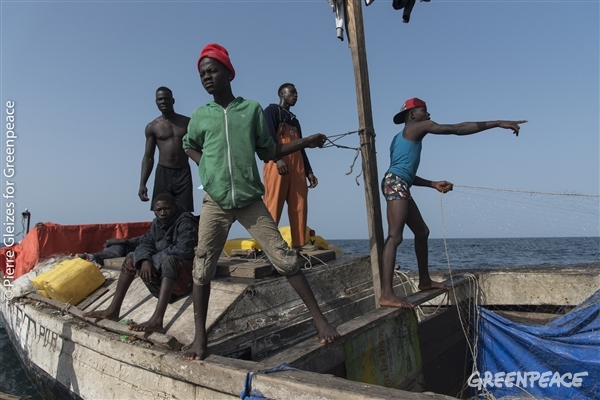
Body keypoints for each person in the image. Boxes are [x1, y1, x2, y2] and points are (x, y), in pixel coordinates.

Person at [181, 43, 340, 360]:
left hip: (250, 199)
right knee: (202, 265)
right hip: (215, 201)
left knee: (284, 257)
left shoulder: (250, 110)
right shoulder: (201, 115)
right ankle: (200, 339)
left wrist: (306, 141)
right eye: (202, 73)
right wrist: (207, 168)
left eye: (212, 71)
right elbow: (189, 145)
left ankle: (320, 321)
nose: (207, 77)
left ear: (229, 72)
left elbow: (269, 152)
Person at [380, 97, 527, 308]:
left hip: (398, 182)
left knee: (422, 232)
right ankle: (386, 294)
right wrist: (497, 123)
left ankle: (424, 281)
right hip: (395, 183)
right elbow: (457, 129)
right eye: (424, 110)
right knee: (395, 236)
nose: (428, 114)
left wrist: (433, 184)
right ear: (413, 115)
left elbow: (405, 172)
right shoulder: (420, 126)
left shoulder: (399, 138)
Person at [82, 193, 198, 333]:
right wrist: (144, 260)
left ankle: (157, 320)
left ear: (175, 207)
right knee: (132, 257)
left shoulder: (186, 221)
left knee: (170, 260)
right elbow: (145, 243)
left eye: (166, 209)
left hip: (184, 280)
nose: (162, 213)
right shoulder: (157, 223)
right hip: (161, 278)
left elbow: (184, 249)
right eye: (158, 210)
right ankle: (113, 310)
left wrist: (152, 261)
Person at [263, 83, 317, 251]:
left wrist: (309, 171)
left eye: (296, 93)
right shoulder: (271, 111)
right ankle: (268, 245)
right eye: (292, 92)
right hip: (277, 162)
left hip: (297, 165)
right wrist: (277, 159)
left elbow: (300, 147)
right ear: (281, 93)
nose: (296, 95)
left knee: (299, 202)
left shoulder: (295, 120)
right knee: (274, 202)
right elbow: (268, 136)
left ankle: (300, 242)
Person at [139, 87, 195, 212]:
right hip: (163, 173)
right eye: (160, 99)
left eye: (166, 98)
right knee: (162, 212)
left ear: (173, 100)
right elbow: (148, 157)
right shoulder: (152, 126)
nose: (163, 101)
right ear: (156, 102)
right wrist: (142, 183)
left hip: (183, 172)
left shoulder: (187, 122)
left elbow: (199, 148)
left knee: (184, 213)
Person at [77, 236, 141, 266]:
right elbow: (136, 241)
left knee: (108, 254)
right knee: (112, 254)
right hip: (120, 245)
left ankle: (88, 257)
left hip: (115, 244)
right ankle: (88, 256)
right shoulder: (146, 239)